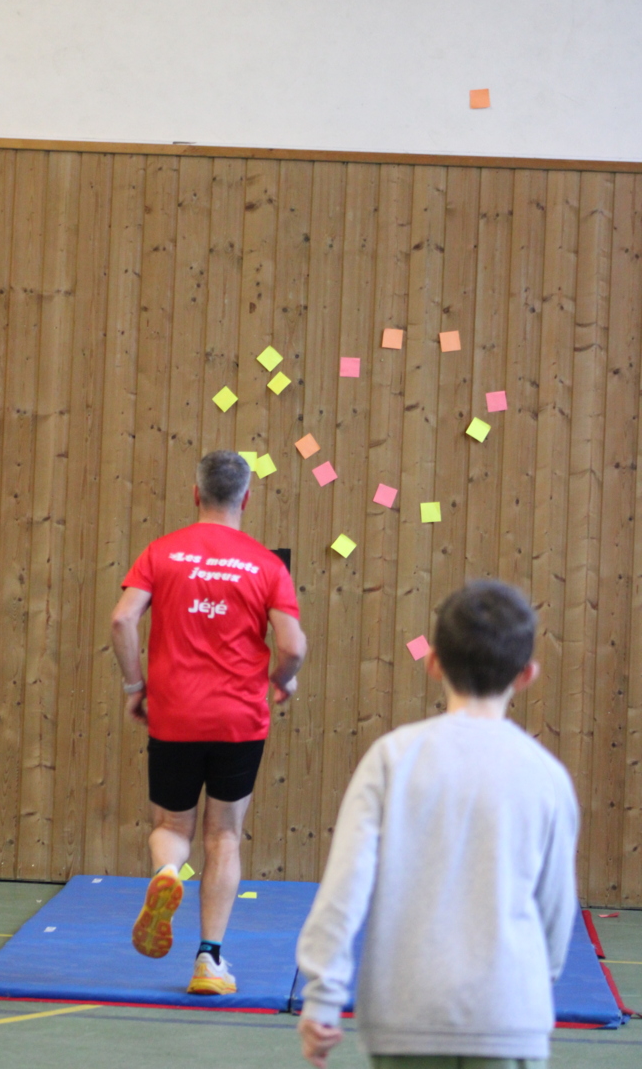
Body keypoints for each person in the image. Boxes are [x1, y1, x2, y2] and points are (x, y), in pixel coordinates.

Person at [296, 579, 579, 1069]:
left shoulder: (392, 758)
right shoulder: (548, 777)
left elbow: (344, 887)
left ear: (433, 664)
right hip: (508, 1016)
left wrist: (323, 996)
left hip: (408, 1016)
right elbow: (556, 908)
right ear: (527, 674)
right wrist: (534, 982)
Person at [111, 450, 307, 996]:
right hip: (239, 718)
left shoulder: (162, 552)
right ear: (247, 498)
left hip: (174, 712)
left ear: (197, 494)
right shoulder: (266, 565)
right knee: (223, 836)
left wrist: (134, 687)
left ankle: (166, 873)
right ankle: (208, 961)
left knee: (172, 827)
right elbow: (293, 646)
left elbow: (123, 619)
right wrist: (283, 679)